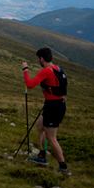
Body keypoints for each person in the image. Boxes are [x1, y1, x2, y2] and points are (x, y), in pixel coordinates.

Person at [22, 47, 70, 175]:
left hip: (53, 107)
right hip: (56, 104)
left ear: (42, 59)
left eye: (38, 58)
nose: (38, 60)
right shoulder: (58, 69)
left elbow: (30, 85)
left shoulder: (47, 71)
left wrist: (25, 70)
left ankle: (63, 167)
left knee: (51, 137)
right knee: (40, 125)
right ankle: (42, 155)